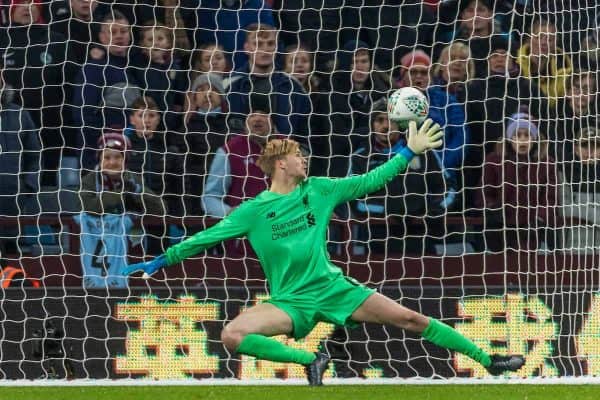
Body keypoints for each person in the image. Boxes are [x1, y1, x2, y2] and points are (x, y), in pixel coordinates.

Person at [123, 120, 524, 385]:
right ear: (281, 163)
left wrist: (406, 151)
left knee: (411, 318)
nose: (304, 159)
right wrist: (161, 260)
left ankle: (489, 361)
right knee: (232, 334)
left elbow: (370, 180)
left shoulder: (320, 189)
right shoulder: (253, 210)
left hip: (333, 287)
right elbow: (204, 239)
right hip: (290, 300)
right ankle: (309, 358)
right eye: (298, 155)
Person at [349, 99, 454, 255]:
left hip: (420, 235)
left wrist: (436, 209)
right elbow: (353, 200)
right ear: (371, 125)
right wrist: (388, 210)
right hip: (378, 238)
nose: (385, 126)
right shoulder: (360, 158)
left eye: (392, 120)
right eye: (379, 120)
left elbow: (448, 190)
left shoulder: (424, 152)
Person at [476, 113, 558, 251]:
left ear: (535, 138)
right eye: (517, 135)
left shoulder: (546, 163)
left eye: (527, 135)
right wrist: (491, 208)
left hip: (531, 230)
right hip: (499, 229)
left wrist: (540, 216)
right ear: (509, 139)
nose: (523, 140)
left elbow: (550, 198)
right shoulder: (494, 160)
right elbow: (483, 193)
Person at [227, 23, 310, 136]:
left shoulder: (293, 87)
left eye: (270, 44)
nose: (265, 49)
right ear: (246, 48)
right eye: (258, 44)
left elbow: (305, 135)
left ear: (276, 48)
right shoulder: (230, 85)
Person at [560, 127, 600, 254]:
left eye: (596, 146)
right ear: (575, 148)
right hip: (570, 249)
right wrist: (595, 215)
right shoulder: (564, 171)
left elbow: (571, 208)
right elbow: (562, 208)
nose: (590, 151)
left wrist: (580, 211)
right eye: (584, 145)